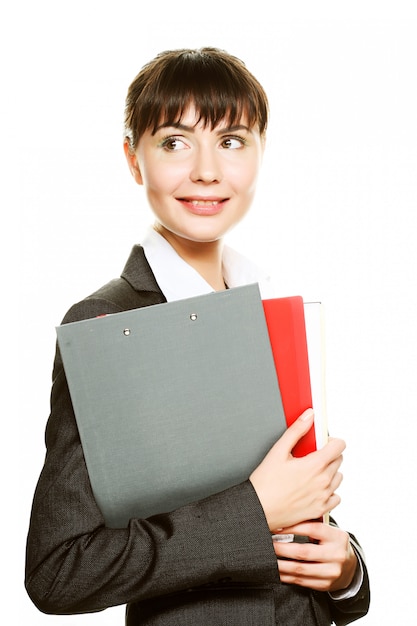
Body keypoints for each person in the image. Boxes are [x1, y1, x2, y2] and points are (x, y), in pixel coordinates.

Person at [25, 47, 370, 625]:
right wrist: (253, 512)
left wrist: (345, 570)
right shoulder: (107, 322)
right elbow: (59, 571)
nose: (207, 170)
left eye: (232, 141)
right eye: (175, 142)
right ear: (134, 158)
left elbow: (293, 500)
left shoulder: (268, 305)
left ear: (261, 153)